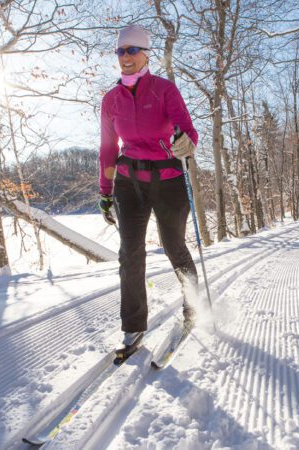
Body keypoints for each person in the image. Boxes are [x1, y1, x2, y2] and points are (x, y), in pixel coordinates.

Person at [98, 24, 199, 362]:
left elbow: (186, 128)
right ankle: (133, 326)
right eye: (120, 52)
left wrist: (187, 142)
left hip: (168, 179)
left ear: (145, 54)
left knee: (174, 247)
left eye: (131, 50)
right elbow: (108, 149)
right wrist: (105, 191)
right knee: (130, 253)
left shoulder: (163, 89)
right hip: (129, 182)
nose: (125, 57)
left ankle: (194, 305)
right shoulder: (111, 100)